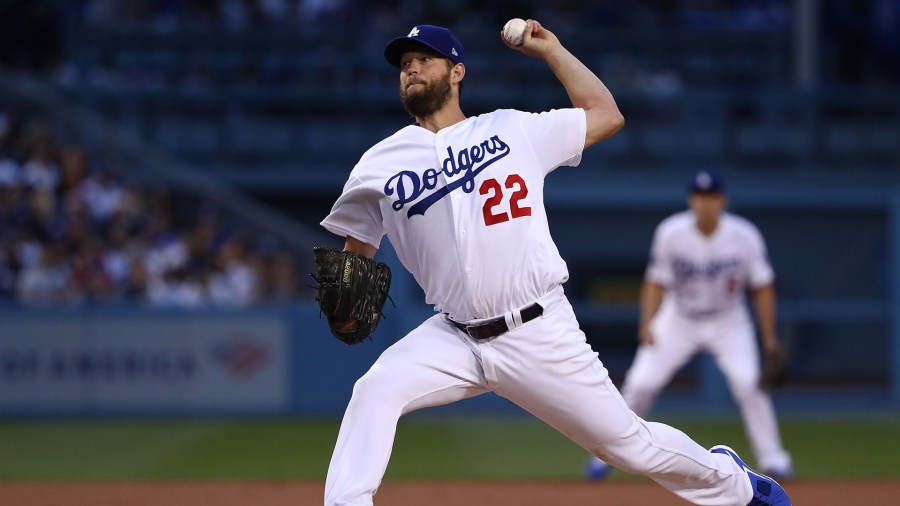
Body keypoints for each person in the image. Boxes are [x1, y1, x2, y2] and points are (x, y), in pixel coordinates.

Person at [319, 21, 791, 506]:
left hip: (535, 329)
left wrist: (553, 51)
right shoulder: (378, 162)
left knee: (627, 444)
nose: (411, 68)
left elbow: (606, 114)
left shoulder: (512, 128)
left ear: (457, 71)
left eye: (424, 58)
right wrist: (349, 292)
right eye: (404, 63)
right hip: (452, 335)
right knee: (374, 389)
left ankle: (733, 483)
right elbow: (361, 246)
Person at [585, 170, 794, 481]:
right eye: (698, 196)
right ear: (690, 200)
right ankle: (604, 457)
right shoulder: (671, 232)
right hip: (679, 318)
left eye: (710, 197)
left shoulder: (744, 235)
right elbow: (655, 281)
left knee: (749, 384)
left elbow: (763, 286)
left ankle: (775, 459)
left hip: (729, 320)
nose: (704, 203)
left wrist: (770, 339)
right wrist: (648, 323)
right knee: (641, 383)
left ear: (722, 201)